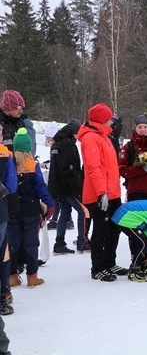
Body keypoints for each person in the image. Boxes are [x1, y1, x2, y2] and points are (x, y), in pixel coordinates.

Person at [78, 103, 127, 282]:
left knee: (114, 228)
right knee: (101, 230)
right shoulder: (91, 138)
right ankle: (97, 267)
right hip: (101, 193)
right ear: (101, 119)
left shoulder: (104, 136)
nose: (111, 122)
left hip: (112, 192)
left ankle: (109, 261)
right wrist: (101, 192)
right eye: (108, 118)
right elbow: (93, 167)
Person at [8, 128, 54, 288]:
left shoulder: (9, 163)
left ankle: (12, 276)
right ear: (29, 148)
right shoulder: (32, 165)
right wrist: (50, 205)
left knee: (12, 243)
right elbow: (41, 188)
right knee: (31, 243)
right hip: (31, 211)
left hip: (12, 210)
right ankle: (32, 276)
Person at [47, 119, 90, 254]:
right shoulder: (68, 144)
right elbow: (71, 168)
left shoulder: (56, 143)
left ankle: (59, 243)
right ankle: (82, 242)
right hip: (68, 187)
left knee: (64, 214)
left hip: (57, 186)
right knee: (83, 212)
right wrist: (76, 188)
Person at [0, 128, 18, 315]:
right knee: (2, 254)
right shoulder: (5, 153)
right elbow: (11, 184)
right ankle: (3, 294)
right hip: (1, 211)